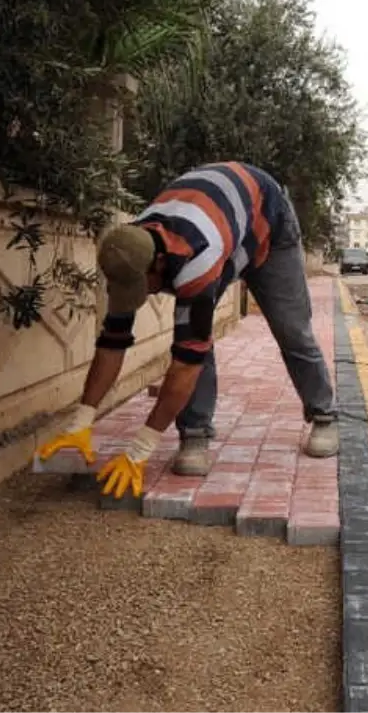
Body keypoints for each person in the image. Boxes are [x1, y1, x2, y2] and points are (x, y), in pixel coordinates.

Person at [35, 162, 338, 499]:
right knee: (195, 338)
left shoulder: (197, 261)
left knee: (290, 330)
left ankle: (324, 414)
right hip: (224, 226)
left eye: (144, 286)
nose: (143, 295)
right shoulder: (129, 252)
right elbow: (112, 343)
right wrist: (82, 420)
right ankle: (195, 435)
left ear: (161, 264)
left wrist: (140, 449)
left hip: (269, 227)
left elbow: (185, 364)